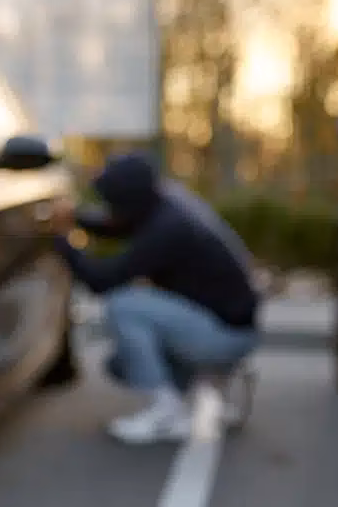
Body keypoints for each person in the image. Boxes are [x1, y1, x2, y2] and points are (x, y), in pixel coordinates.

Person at [53, 152, 261, 444]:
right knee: (121, 365)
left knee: (123, 305)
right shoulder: (168, 204)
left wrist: (61, 241)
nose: (109, 209)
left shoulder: (167, 230)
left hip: (224, 335)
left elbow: (102, 281)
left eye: (113, 203)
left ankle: (168, 413)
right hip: (228, 323)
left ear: (130, 200)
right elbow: (120, 225)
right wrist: (77, 218)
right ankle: (216, 377)